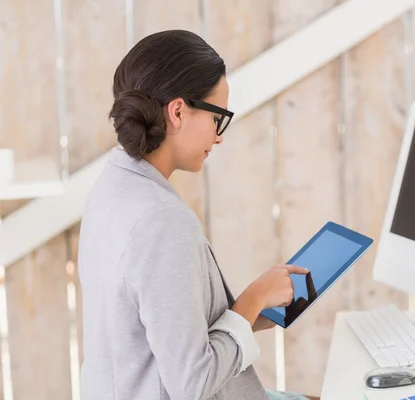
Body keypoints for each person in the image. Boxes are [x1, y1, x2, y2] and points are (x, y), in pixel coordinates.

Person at [78, 29, 319, 400]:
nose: (219, 136)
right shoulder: (161, 221)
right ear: (177, 112)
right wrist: (253, 299)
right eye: (217, 118)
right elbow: (193, 384)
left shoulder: (113, 188)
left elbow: (163, 332)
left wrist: (250, 312)